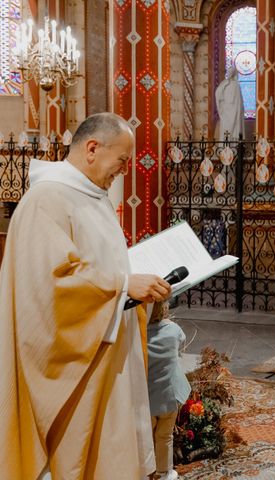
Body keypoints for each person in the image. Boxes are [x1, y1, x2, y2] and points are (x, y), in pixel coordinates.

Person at [0, 113, 172, 479]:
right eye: (122, 161)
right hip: (77, 360)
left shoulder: (91, 197)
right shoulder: (46, 200)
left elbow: (95, 265)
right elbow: (50, 285)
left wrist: (136, 285)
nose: (122, 172)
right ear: (92, 148)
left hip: (106, 346)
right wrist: (124, 286)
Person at [147, 302, 191, 480]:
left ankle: (147, 469)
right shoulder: (173, 329)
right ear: (164, 308)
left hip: (147, 397)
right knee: (165, 435)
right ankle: (164, 471)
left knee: (148, 436)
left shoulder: (138, 333)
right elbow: (182, 340)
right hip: (170, 394)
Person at [215, 66, 245, 141]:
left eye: (231, 72)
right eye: (228, 72)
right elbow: (218, 94)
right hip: (226, 111)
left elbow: (239, 102)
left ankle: (233, 146)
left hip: (235, 110)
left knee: (235, 130)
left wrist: (237, 110)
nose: (229, 73)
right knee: (225, 129)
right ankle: (224, 147)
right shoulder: (224, 84)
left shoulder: (236, 85)